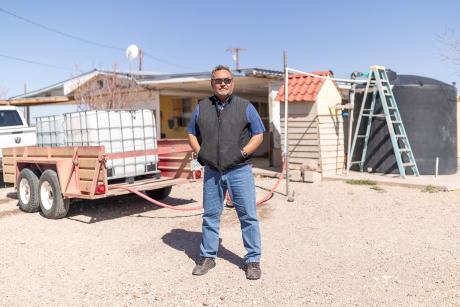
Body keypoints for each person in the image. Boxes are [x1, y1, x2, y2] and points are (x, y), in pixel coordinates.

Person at [187, 65, 265, 280]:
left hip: (239, 170)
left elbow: (258, 134)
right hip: (212, 170)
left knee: (247, 216)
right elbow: (191, 133)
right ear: (212, 84)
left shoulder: (245, 106)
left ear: (233, 82)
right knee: (211, 216)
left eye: (227, 80)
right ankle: (208, 257)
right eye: (218, 80)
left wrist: (242, 153)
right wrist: (200, 153)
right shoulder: (201, 107)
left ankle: (253, 260)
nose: (223, 84)